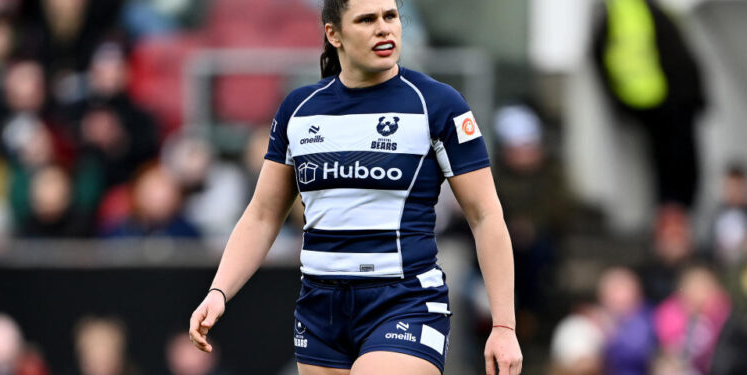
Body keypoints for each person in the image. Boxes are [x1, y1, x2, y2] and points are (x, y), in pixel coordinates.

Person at [188, 0, 522, 374]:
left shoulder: (438, 104)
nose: (384, 28)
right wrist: (218, 292)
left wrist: (504, 325)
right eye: (367, 19)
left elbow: (485, 215)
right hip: (320, 311)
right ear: (334, 34)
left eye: (390, 16)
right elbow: (263, 215)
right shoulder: (299, 110)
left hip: (404, 303)